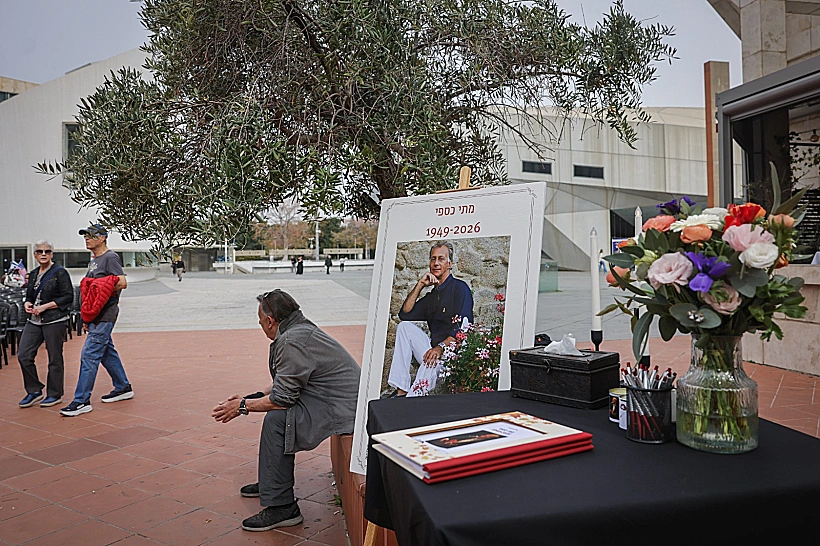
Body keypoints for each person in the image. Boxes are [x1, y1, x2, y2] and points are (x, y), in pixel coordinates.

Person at [211, 289, 360, 532]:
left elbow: (281, 399)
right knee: (276, 415)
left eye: (260, 321)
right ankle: (271, 484)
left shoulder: (292, 340)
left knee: (278, 419)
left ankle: (283, 507)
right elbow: (288, 381)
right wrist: (251, 398)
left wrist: (242, 407)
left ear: (270, 320)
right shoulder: (298, 330)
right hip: (334, 400)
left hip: (342, 408)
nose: (261, 325)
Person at [61, 224, 134, 417]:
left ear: (102, 238)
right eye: (85, 236)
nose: (86, 238)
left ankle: (81, 401)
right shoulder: (94, 260)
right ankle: (123, 386)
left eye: (91, 235)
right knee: (106, 352)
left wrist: (99, 286)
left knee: (89, 355)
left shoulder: (110, 257)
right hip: (96, 315)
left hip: (106, 314)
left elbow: (122, 282)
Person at [387, 241, 474, 397]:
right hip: (433, 352)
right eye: (433, 259)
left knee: (430, 361)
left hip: (452, 356)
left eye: (441, 259)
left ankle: (410, 401)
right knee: (404, 327)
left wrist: (440, 348)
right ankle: (402, 390)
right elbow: (405, 314)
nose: (436, 263)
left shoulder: (460, 288)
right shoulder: (432, 297)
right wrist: (420, 284)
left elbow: (463, 328)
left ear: (450, 264)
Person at [17, 240, 74, 408]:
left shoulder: (60, 272)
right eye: (40, 251)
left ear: (52, 254)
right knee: (24, 355)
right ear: (35, 254)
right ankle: (34, 390)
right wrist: (28, 303)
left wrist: (45, 307)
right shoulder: (34, 273)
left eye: (47, 251)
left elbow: (68, 297)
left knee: (54, 357)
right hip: (34, 321)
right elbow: (30, 296)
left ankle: (54, 394)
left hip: (54, 320)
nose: (43, 254)